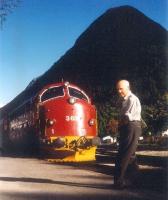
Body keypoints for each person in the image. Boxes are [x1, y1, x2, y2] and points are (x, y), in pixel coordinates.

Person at [114, 80, 142, 189]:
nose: (119, 91)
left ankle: (119, 182)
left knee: (123, 154)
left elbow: (126, 117)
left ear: (128, 87)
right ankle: (136, 181)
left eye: (121, 89)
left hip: (132, 126)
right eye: (118, 89)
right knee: (131, 155)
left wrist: (116, 124)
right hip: (127, 127)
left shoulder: (132, 99)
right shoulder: (124, 100)